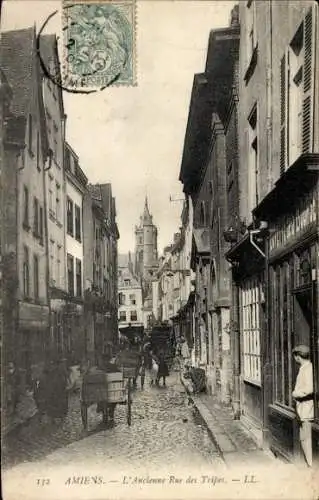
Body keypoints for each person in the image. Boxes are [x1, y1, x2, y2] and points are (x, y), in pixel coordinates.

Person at [292, 345, 314, 467]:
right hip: (303, 408)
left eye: (295, 356)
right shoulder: (304, 368)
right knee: (304, 437)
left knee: (306, 438)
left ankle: (311, 465)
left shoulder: (308, 369)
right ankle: (309, 463)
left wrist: (295, 393)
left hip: (307, 407)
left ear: (298, 356)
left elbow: (309, 389)